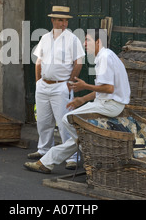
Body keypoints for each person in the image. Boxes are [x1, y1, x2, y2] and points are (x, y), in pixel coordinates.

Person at [24, 28, 131, 173]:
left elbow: (109, 89)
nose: (84, 43)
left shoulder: (104, 57)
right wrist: (82, 99)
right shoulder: (105, 55)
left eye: (88, 40)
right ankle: (45, 163)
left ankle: (88, 149)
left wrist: (85, 86)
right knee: (78, 135)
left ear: (98, 42)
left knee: (68, 119)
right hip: (107, 103)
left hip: (111, 105)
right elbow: (103, 89)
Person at [28, 6, 85, 170]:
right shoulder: (45, 38)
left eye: (66, 20)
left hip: (61, 86)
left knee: (64, 122)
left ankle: (72, 157)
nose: (64, 23)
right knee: (43, 121)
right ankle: (43, 150)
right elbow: (39, 61)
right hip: (44, 85)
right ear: (52, 20)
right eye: (60, 19)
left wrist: (69, 83)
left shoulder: (72, 39)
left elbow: (78, 63)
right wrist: (38, 81)